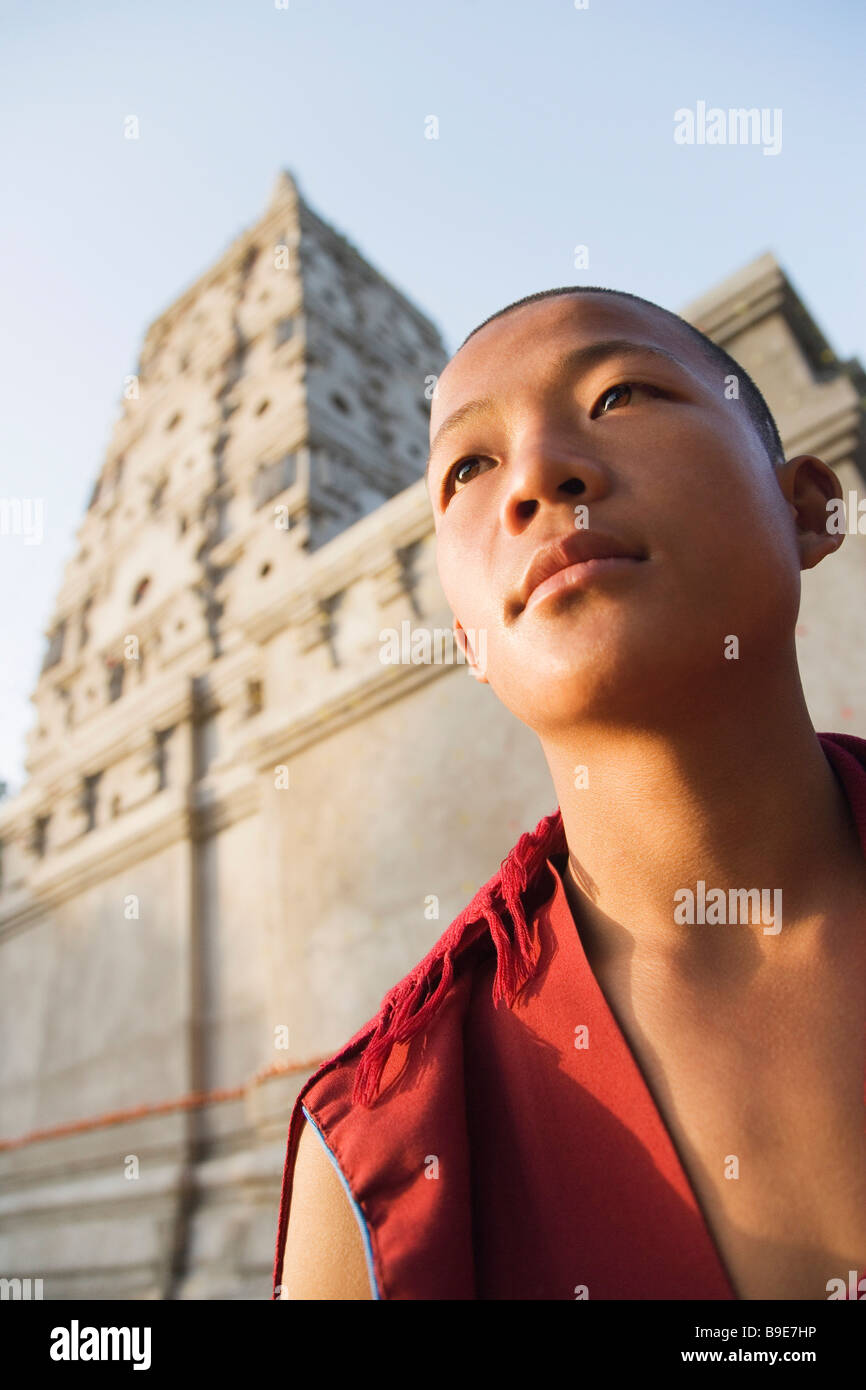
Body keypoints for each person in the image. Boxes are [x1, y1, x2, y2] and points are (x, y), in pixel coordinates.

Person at [274, 285, 866, 1301]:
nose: (538, 475)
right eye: (468, 465)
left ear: (808, 505)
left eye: (621, 393)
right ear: (467, 642)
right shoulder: (378, 1146)